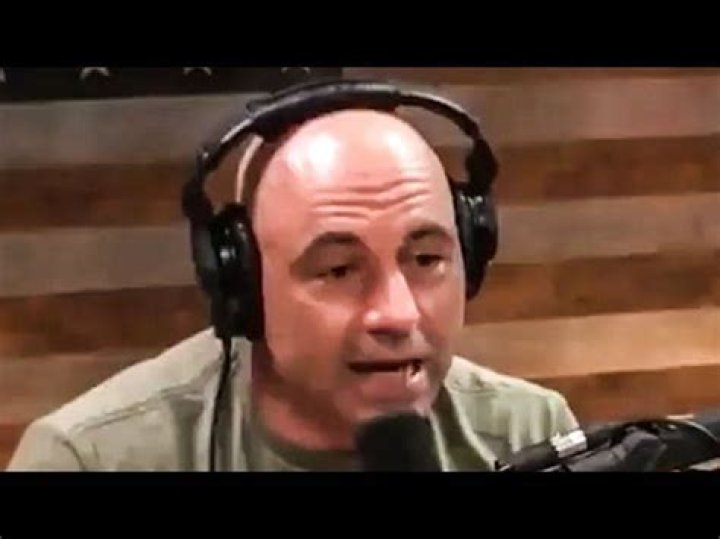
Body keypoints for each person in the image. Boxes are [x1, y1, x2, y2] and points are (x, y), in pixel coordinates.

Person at [7, 80, 578, 471]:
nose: (398, 313)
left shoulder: (528, 431)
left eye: (426, 260)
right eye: (339, 270)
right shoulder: (89, 459)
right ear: (245, 288)